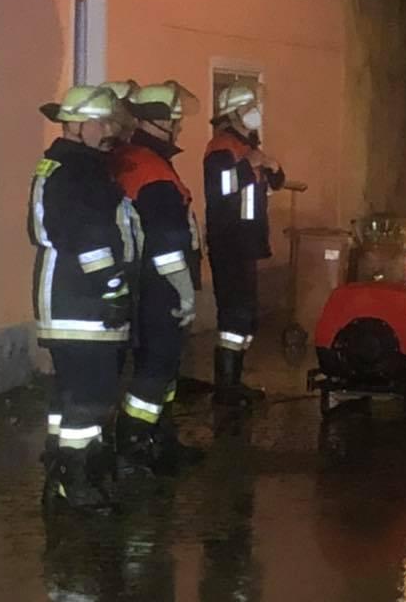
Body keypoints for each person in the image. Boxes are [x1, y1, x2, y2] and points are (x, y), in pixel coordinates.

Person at [29, 85, 134, 510]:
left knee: (70, 394)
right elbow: (89, 237)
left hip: (67, 297)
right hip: (81, 299)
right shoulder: (79, 170)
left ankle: (61, 475)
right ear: (77, 124)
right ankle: (76, 484)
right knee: (90, 395)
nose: (108, 131)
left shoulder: (65, 164)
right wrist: (113, 286)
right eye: (102, 123)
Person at [109, 81, 204, 474]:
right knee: (158, 366)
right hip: (160, 285)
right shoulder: (153, 171)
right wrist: (184, 291)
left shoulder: (129, 158)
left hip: (140, 281)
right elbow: (167, 242)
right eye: (176, 122)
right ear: (160, 123)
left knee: (158, 367)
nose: (179, 129)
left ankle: (159, 440)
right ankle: (136, 444)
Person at [203, 84, 284, 406]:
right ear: (233, 114)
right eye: (248, 106)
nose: (255, 111)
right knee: (234, 317)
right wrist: (250, 164)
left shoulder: (247, 146)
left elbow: (271, 183)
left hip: (246, 243)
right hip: (229, 243)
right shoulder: (221, 148)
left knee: (246, 317)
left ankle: (234, 382)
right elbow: (222, 189)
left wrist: (272, 168)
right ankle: (226, 387)